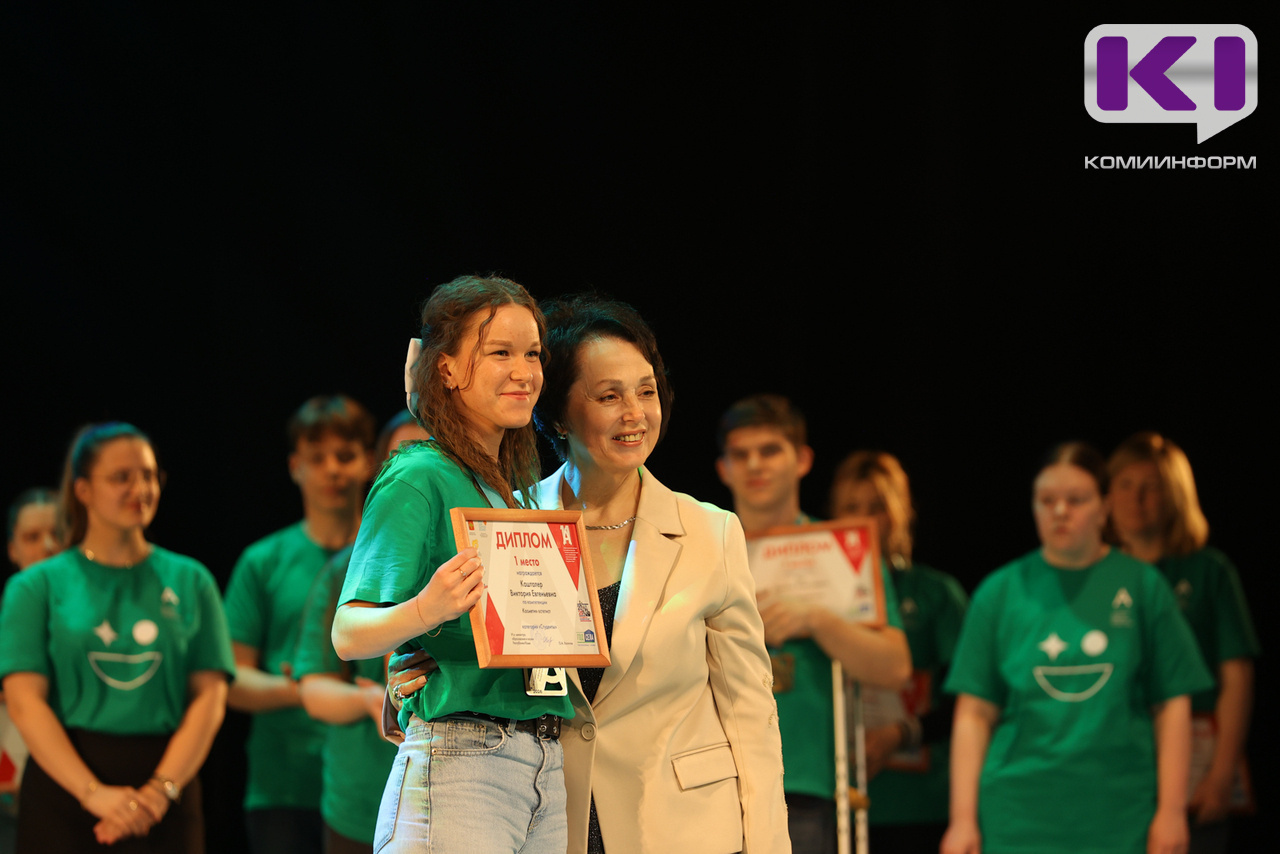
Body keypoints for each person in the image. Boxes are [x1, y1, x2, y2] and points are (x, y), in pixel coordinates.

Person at [331, 275, 572, 854]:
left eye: (533, 354)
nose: (524, 371)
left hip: (544, 758)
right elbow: (347, 633)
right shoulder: (418, 475)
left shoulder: (516, 489)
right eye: (500, 352)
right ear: (447, 368)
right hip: (464, 759)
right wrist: (424, 609)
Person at [941, 441, 1213, 854]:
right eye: (1047, 500)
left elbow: (1172, 704)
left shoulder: (1143, 586)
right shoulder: (999, 592)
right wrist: (962, 820)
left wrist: (1172, 811)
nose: (1060, 511)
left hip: (1119, 816)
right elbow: (974, 714)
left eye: (1076, 499)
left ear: (1104, 507)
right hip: (1017, 818)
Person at [0, 423, 234, 853]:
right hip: (65, 790)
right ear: (83, 490)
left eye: (148, 476)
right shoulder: (35, 586)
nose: (139, 489)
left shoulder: (192, 579)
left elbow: (210, 695)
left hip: (166, 791)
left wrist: (159, 791)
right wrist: (93, 794)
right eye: (121, 477)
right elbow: (24, 702)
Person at [715, 394, 910, 854]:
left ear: (802, 460)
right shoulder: (703, 551)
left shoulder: (841, 549)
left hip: (805, 783)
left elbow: (896, 667)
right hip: (716, 779)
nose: (754, 465)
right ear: (723, 468)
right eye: (741, 454)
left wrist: (817, 620)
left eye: (770, 450)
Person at [222, 395, 377, 853]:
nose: (332, 470)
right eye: (317, 458)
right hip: (286, 784)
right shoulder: (263, 562)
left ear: (369, 462)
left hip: (370, 782)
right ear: (295, 466)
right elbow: (231, 679)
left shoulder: (391, 558)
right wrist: (310, 688)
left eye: (345, 456)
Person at [1108, 432, 1259, 854]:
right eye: (1125, 485)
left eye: (1151, 487)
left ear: (1175, 495)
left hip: (1195, 764)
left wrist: (1222, 774)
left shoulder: (1209, 571)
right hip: (1117, 774)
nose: (1136, 499)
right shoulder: (1092, 575)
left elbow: (1237, 677)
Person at [291, 413, 428, 854]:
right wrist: (370, 700)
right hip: (360, 801)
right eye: (401, 457)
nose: (417, 470)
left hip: (450, 797)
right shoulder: (345, 570)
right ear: (379, 470)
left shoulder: (478, 558)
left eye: (432, 453)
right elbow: (314, 689)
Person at [829, 450, 967, 853]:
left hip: (919, 805)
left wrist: (901, 734)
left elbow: (968, 701)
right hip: (833, 804)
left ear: (899, 514)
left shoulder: (935, 594)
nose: (864, 521)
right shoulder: (814, 595)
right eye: (851, 508)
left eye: (877, 507)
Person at [2, 490, 63, 853]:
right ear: (13, 549)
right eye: (32, 537)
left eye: (58, 533)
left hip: (79, 793)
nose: (48, 546)